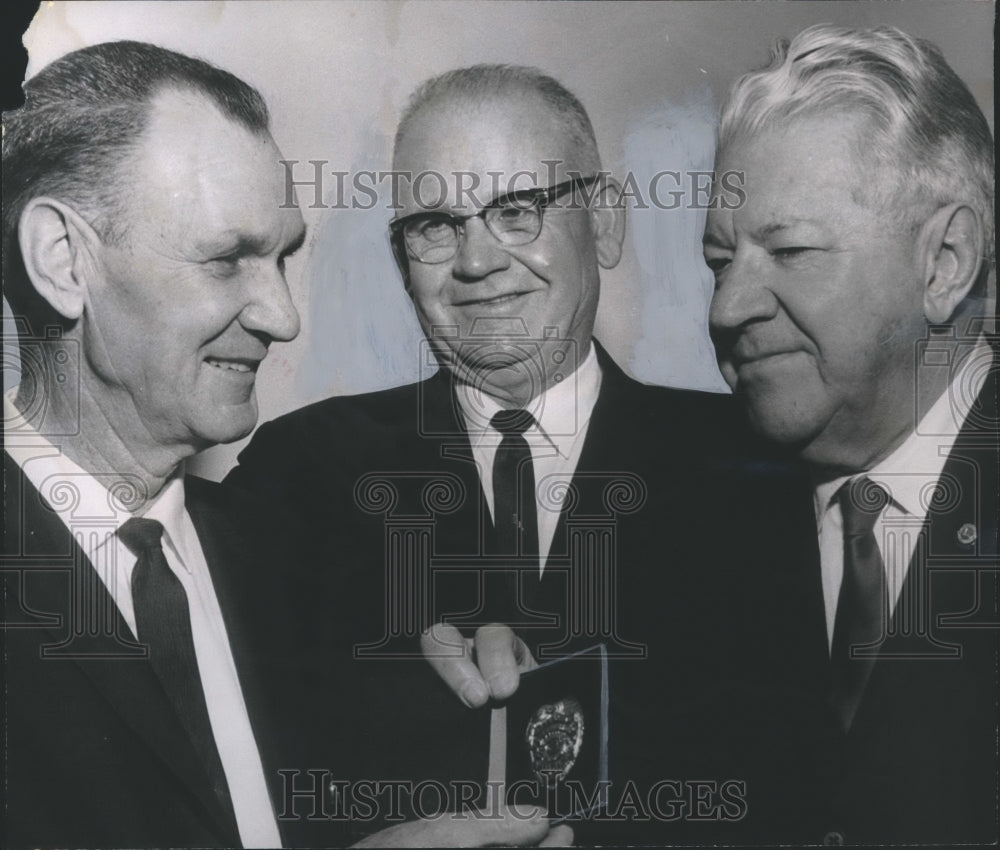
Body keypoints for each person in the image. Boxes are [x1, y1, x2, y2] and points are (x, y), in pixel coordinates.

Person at [2, 41, 563, 849]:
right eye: (228, 259)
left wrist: (476, 704)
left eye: (282, 259)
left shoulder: (295, 559)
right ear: (63, 260)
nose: (281, 317)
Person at [228, 64, 810, 843]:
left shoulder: (761, 469)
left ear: (603, 223)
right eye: (436, 225)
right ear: (403, 260)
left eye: (517, 210)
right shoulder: (299, 475)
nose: (476, 263)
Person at [703, 24, 997, 845]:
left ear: (945, 262)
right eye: (718, 261)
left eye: (789, 250)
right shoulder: (693, 517)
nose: (727, 309)